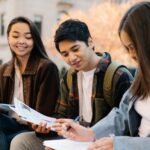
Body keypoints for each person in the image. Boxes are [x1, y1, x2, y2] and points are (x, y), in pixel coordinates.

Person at [10, 19, 133, 150]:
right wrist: (47, 126)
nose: (72, 58)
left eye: (75, 49)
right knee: (21, 141)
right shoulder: (69, 77)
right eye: (65, 54)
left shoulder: (118, 75)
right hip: (73, 139)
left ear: (90, 42)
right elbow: (60, 115)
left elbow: (127, 125)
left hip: (102, 142)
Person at [52, 1, 150, 150]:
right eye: (127, 48)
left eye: (133, 46)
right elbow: (122, 115)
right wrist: (90, 133)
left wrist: (120, 145)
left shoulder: (118, 75)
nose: (131, 54)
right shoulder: (142, 73)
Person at [0, 16, 59, 150]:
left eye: (28, 37)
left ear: (35, 40)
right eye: (15, 36)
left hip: (31, 128)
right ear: (8, 38)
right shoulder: (4, 69)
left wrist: (39, 124)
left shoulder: (46, 68)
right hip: (8, 124)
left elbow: (44, 114)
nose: (21, 41)